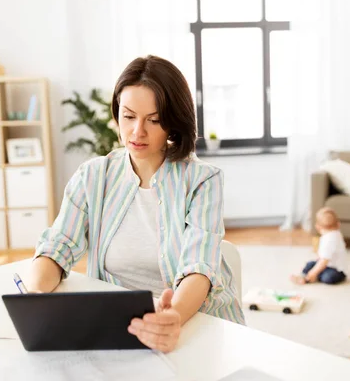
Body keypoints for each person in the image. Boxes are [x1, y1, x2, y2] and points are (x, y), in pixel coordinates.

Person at [28, 55, 245, 353]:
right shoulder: (93, 175)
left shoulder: (203, 181)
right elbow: (57, 247)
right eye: (128, 116)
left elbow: (199, 268)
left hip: (193, 322)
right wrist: (36, 296)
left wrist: (172, 317)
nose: (137, 132)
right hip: (119, 329)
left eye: (153, 120)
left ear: (173, 122)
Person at [290, 207, 347, 285]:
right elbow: (322, 258)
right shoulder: (335, 233)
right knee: (310, 264)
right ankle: (303, 276)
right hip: (325, 265)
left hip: (336, 270)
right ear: (338, 224)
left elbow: (324, 261)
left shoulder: (330, 240)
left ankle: (308, 278)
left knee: (328, 277)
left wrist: (313, 272)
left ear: (318, 227)